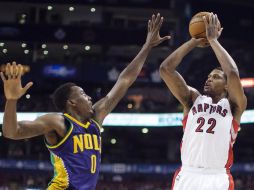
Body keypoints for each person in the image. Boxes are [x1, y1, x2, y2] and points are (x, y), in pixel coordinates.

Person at [1, 13, 170, 190]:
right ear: (71, 102)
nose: (89, 97)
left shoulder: (95, 119)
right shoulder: (58, 122)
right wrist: (11, 101)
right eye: (82, 94)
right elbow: (12, 132)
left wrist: (147, 46)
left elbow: (125, 80)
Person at [159, 13, 247, 190]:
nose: (209, 79)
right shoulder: (193, 99)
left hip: (217, 177)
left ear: (227, 86)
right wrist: (193, 41)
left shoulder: (234, 106)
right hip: (188, 174)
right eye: (208, 76)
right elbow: (165, 69)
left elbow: (232, 73)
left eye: (215, 77)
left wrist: (213, 41)